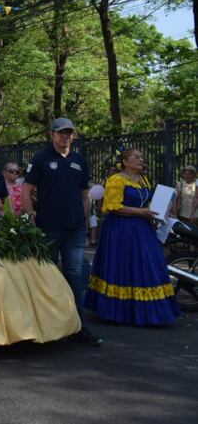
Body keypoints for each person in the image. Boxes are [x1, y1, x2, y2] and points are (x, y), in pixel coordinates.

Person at [22, 117, 102, 346]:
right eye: (61, 133)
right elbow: (26, 191)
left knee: (75, 276)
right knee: (47, 276)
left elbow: (84, 195)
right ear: (52, 135)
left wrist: (86, 223)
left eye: (69, 133)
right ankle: (46, 326)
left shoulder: (79, 161)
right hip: (48, 227)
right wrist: (30, 218)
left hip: (75, 229)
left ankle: (78, 327)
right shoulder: (41, 159)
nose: (66, 136)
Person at [84, 149, 181, 325]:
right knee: (124, 265)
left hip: (142, 227)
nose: (140, 159)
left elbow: (147, 203)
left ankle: (149, 312)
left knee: (148, 263)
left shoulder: (142, 180)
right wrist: (141, 211)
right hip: (121, 228)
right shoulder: (116, 180)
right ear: (125, 161)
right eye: (136, 157)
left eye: (141, 157)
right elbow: (112, 207)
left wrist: (159, 210)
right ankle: (120, 311)